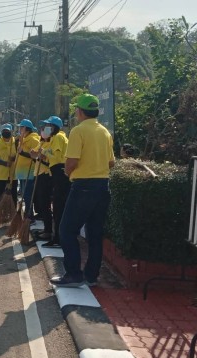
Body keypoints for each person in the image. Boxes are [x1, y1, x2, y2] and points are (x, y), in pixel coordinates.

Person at [51, 94, 115, 287]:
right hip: (102, 186)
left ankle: (73, 274)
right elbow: (111, 162)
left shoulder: (78, 131)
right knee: (95, 233)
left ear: (79, 111)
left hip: (83, 187)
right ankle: (91, 276)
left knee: (67, 230)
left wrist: (67, 171)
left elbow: (71, 161)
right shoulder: (105, 132)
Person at [39, 116, 70, 248]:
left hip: (60, 173)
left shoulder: (58, 137)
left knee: (59, 208)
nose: (47, 128)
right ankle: (57, 236)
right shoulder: (58, 138)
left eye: (49, 126)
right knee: (58, 208)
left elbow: (56, 156)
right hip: (58, 173)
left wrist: (44, 151)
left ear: (54, 127)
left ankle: (58, 238)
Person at [15, 119, 41, 220]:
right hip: (21, 173)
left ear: (25, 128)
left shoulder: (33, 140)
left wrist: (23, 153)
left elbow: (35, 156)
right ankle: (28, 214)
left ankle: (29, 216)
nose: (19, 129)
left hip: (28, 173)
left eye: (21, 127)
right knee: (25, 195)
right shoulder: (23, 139)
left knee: (28, 195)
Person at [0, 124, 16, 207]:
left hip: (13, 175)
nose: (6, 133)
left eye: (8, 131)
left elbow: (19, 155)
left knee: (13, 195)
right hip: (0, 175)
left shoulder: (15, 142)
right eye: (4, 131)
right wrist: (4, 163)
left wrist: (14, 158)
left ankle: (12, 213)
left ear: (11, 132)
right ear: (1, 132)